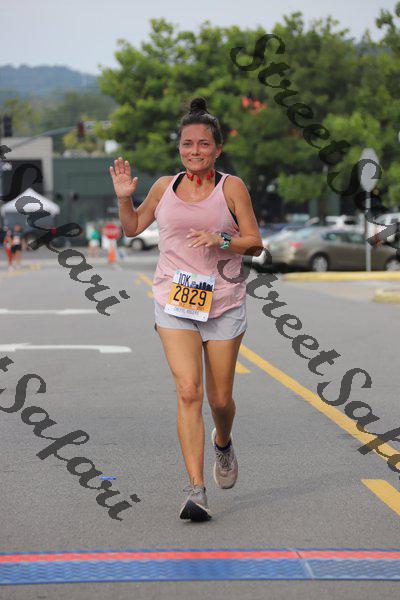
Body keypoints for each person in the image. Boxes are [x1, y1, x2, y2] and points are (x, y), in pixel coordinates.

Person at [110, 97, 263, 522]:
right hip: (175, 300)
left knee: (220, 399)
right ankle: (196, 490)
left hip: (223, 302)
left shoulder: (231, 188)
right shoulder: (164, 187)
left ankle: (223, 442)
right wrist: (124, 199)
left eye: (203, 144)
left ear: (217, 148)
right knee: (188, 391)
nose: (194, 151)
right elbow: (132, 227)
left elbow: (255, 242)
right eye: (187, 144)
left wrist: (222, 239)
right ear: (179, 147)